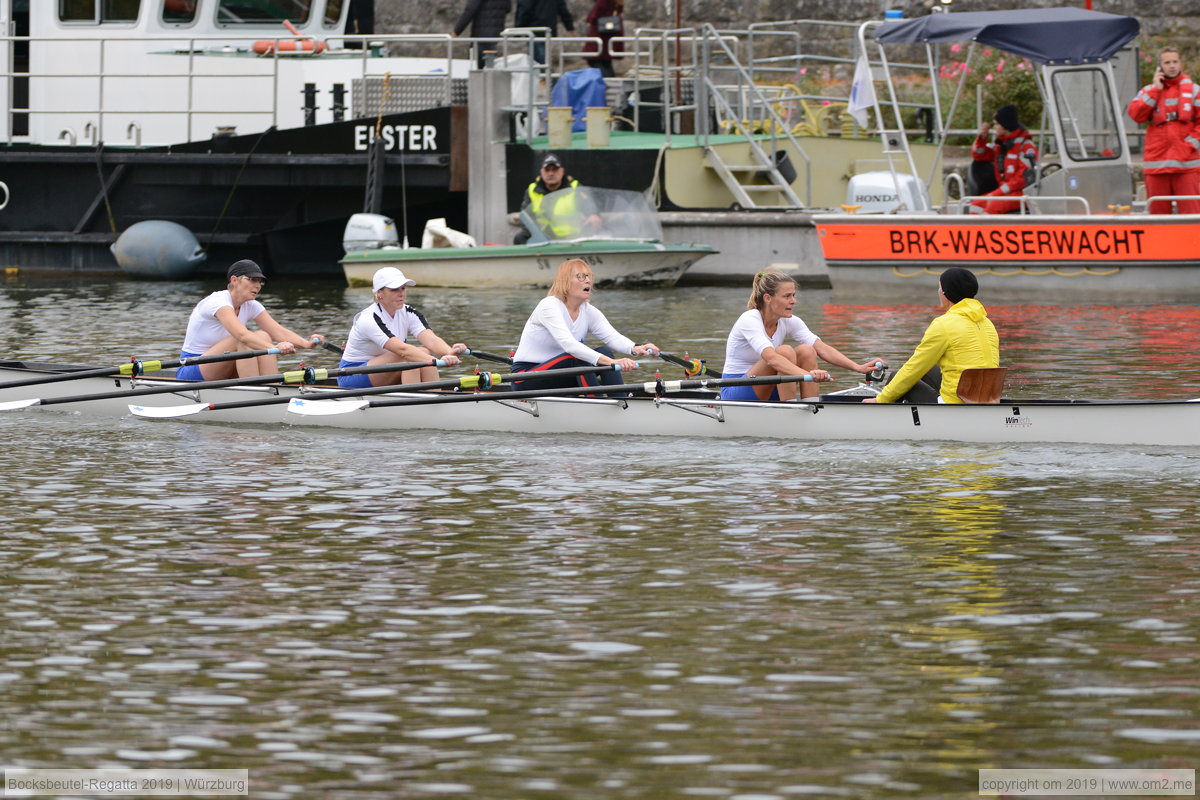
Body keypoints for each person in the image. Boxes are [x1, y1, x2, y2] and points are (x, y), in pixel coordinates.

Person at [722, 270, 884, 403]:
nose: (793, 301)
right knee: (784, 351)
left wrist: (858, 368)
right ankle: (791, 410)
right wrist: (808, 375)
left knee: (807, 350)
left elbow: (821, 349)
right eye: (787, 296)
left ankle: (811, 405)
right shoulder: (749, 319)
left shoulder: (789, 321)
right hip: (737, 389)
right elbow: (771, 358)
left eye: (793, 295)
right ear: (768, 298)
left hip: (770, 387)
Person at [510, 258, 657, 391]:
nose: (587, 281)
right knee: (578, 358)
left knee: (604, 351)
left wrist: (636, 348)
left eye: (589, 276)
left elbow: (612, 337)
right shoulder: (549, 306)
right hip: (526, 377)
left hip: (560, 373)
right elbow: (570, 345)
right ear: (565, 282)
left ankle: (621, 401)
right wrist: (612, 362)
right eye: (580, 276)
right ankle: (598, 405)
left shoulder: (588, 311)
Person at [863, 267, 999, 405]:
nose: (938, 292)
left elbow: (914, 368)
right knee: (931, 368)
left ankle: (881, 416)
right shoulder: (987, 323)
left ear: (946, 292)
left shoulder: (943, 324)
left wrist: (881, 399)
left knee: (897, 376)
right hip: (988, 399)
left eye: (939, 287)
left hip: (956, 404)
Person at [176, 260, 323, 381]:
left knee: (263, 335)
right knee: (242, 340)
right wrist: (276, 349)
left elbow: (278, 331)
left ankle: (272, 385)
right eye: (252, 280)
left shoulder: (251, 305)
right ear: (234, 280)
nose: (258, 286)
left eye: (260, 281)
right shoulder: (218, 302)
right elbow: (242, 336)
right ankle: (255, 390)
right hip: (192, 369)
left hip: (221, 365)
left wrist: (306, 344)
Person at [336, 267, 467, 388]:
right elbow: (402, 350)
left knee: (424, 352)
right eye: (394, 289)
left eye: (403, 288)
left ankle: (433, 398)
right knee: (410, 356)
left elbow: (431, 339)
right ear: (379, 293)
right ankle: (415, 403)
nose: (401, 294)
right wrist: (438, 362)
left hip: (382, 370)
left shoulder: (409, 312)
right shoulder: (368, 319)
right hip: (352, 375)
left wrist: (450, 353)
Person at [1127, 47, 1200, 214]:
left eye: (1175, 61)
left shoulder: (1195, 91)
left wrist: (1188, 146)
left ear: (1181, 63)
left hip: (1186, 165)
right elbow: (1136, 115)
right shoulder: (1149, 91)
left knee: (1192, 216)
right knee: (1158, 218)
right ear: (1159, 66)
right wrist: (1155, 90)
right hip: (1157, 164)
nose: (1172, 66)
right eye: (1167, 62)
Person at [513, 153, 602, 244]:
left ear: (562, 171)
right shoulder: (532, 190)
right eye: (547, 170)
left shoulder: (574, 188)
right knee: (520, 238)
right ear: (541, 172)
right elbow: (525, 217)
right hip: (543, 239)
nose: (551, 173)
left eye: (555, 169)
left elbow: (589, 203)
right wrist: (538, 235)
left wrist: (593, 214)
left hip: (572, 238)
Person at [968, 104, 1039, 215]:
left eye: (997, 124)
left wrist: (998, 192)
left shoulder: (1026, 147)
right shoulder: (1002, 146)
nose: (994, 127)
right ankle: (972, 231)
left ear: (1006, 125)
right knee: (976, 204)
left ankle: (983, 231)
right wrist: (982, 138)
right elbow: (978, 155)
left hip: (1022, 193)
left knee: (994, 206)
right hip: (1006, 192)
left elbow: (1023, 178)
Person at [451, 0, 511, 68]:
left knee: (475, 67)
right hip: (497, 33)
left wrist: (457, 31)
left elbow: (470, 10)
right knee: (491, 66)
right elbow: (508, 8)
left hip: (481, 34)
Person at [514, 0, 574, 64]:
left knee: (539, 59)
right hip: (548, 28)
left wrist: (518, 29)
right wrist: (569, 27)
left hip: (533, 29)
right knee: (542, 57)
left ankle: (544, 72)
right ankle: (546, 71)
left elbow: (524, 10)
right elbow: (563, 9)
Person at [582, 0, 623, 78]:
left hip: (600, 34)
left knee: (593, 60)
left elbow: (594, 16)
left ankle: (607, 83)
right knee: (606, 62)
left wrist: (589, 18)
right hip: (608, 35)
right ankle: (610, 81)